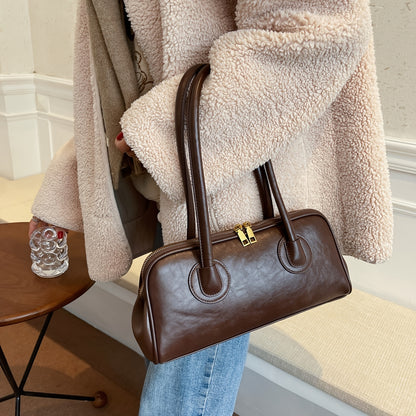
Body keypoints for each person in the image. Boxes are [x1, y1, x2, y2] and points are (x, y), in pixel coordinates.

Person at [30, 1, 393, 414]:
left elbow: (318, 33)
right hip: (169, 172)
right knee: (178, 333)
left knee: (185, 368)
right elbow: (111, 75)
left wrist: (155, 132)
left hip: (222, 174)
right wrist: (66, 185)